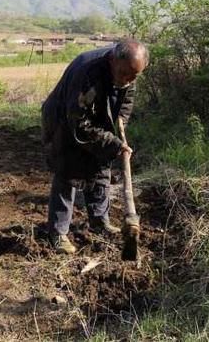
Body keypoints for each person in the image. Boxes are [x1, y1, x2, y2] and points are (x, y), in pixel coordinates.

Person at [41, 39, 149, 254]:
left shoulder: (129, 69)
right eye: (124, 74)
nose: (128, 80)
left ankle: (100, 222)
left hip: (98, 119)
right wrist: (113, 142)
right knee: (68, 173)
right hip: (65, 119)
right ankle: (58, 232)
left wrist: (118, 131)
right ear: (112, 61)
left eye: (133, 76)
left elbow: (125, 103)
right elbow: (79, 124)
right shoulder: (87, 73)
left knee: (101, 167)